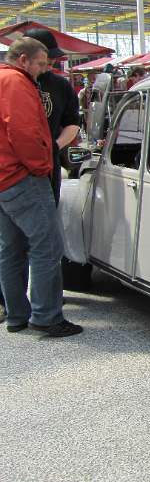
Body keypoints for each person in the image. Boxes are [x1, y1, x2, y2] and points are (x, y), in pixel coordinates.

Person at [0, 37, 83, 337]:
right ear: (23, 59)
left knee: (10, 248)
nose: (44, 69)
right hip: (23, 176)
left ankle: (16, 314)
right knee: (47, 246)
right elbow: (23, 130)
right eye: (40, 64)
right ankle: (47, 316)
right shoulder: (16, 82)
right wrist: (41, 166)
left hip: (4, 177)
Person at [22, 29, 80, 205]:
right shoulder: (11, 82)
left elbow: (72, 123)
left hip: (48, 167)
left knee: (48, 212)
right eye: (47, 58)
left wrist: (55, 146)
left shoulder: (60, 85)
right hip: (13, 169)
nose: (51, 62)